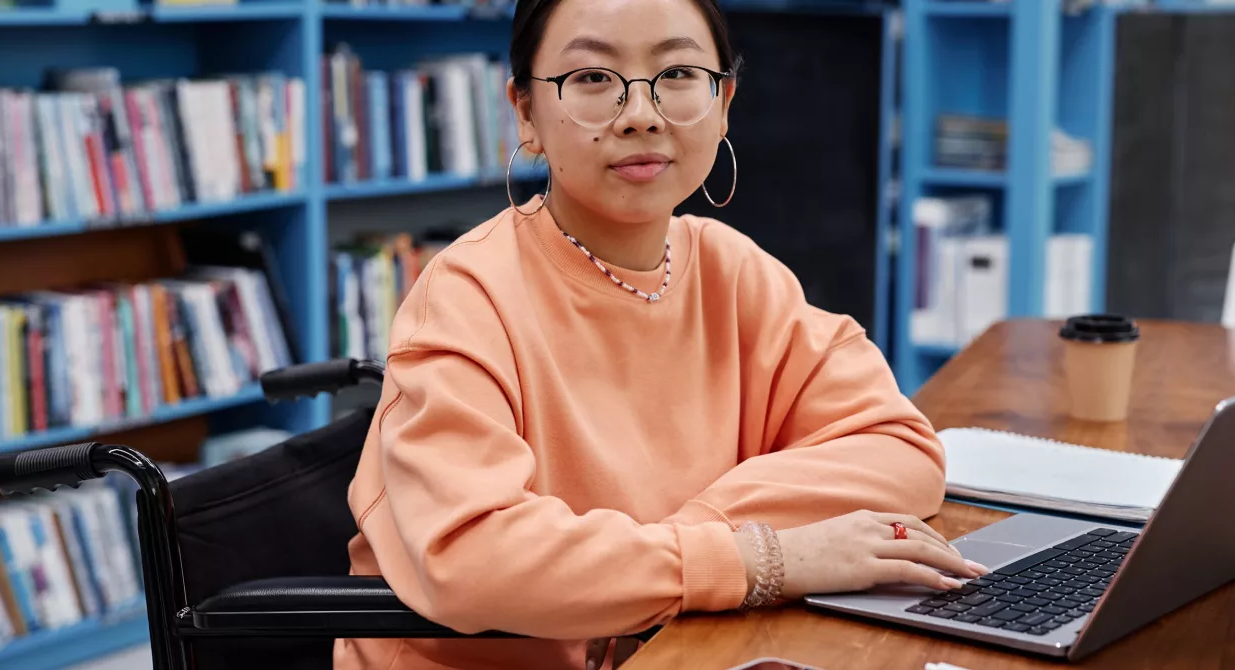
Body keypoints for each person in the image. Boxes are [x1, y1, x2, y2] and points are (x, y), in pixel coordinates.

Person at [335, 0, 987, 668]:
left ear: (723, 101)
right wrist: (759, 558)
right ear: (525, 113)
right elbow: (473, 558)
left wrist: (691, 546)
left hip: (678, 647)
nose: (641, 113)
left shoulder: (732, 270)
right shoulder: (465, 296)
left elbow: (899, 450)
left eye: (677, 73)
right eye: (592, 79)